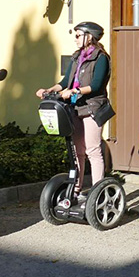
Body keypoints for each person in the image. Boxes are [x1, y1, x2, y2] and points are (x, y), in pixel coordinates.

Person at [36, 22, 112, 199]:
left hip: (93, 107)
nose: (75, 39)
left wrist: (75, 91)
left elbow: (96, 85)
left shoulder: (101, 58)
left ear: (89, 36)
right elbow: (65, 82)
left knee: (93, 149)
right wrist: (49, 90)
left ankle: (97, 191)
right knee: (77, 151)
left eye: (78, 35)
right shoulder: (77, 57)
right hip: (76, 107)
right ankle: (76, 188)